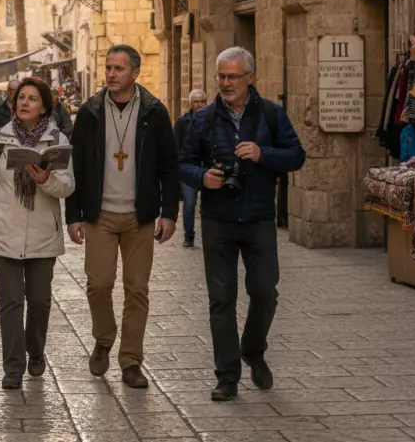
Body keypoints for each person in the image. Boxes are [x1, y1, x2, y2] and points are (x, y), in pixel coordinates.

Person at [179, 47, 305, 402]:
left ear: (250, 77)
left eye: (233, 76)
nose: (225, 83)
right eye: (221, 76)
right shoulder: (202, 118)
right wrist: (203, 177)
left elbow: (296, 156)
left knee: (265, 291)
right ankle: (227, 375)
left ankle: (253, 349)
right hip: (217, 220)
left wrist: (262, 154)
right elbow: (183, 162)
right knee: (221, 300)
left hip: (258, 217)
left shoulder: (271, 114)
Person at [66, 45, 179, 389]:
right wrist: (73, 214)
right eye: (108, 67)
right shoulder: (90, 111)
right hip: (99, 214)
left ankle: (131, 361)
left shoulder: (154, 111)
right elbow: (75, 165)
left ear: (135, 73)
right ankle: (104, 338)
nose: (111, 74)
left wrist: (169, 213)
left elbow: (169, 165)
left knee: (137, 289)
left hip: (139, 216)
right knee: (99, 283)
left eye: (118, 68)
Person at [0, 77, 74, 390]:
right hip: (4, 230)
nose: (25, 103)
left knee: (40, 300)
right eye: (21, 98)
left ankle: (36, 350)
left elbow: (68, 186)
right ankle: (13, 367)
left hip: (43, 233)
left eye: (32, 98)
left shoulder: (56, 139)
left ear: (43, 107)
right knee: (11, 302)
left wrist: (45, 179)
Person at [173, 89, 208, 248]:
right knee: (189, 203)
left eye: (202, 101)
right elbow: (176, 147)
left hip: (207, 167)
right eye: (196, 102)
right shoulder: (182, 122)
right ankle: (189, 236)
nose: (199, 105)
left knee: (209, 205)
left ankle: (210, 236)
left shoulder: (212, 120)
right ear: (190, 103)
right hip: (189, 168)